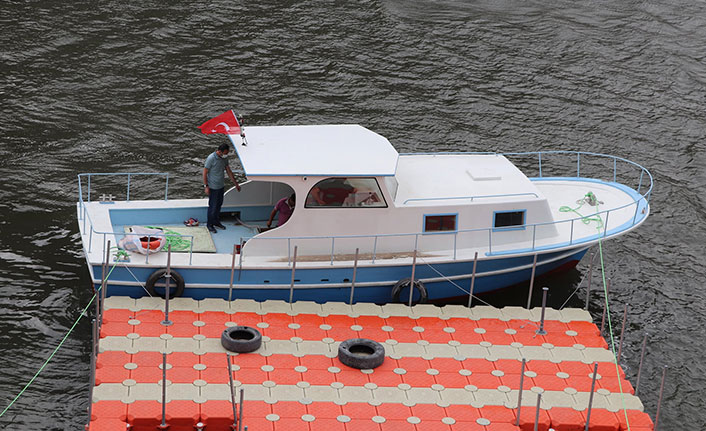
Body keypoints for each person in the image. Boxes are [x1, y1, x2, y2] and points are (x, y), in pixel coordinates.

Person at [203, 143, 241, 233]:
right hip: (213, 187)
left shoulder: (224, 159)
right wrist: (206, 186)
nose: (226, 155)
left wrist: (236, 184)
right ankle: (210, 224)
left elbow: (228, 171)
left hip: (221, 186)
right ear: (219, 151)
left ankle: (216, 222)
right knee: (212, 206)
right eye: (225, 153)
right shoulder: (211, 158)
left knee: (219, 205)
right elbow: (205, 172)